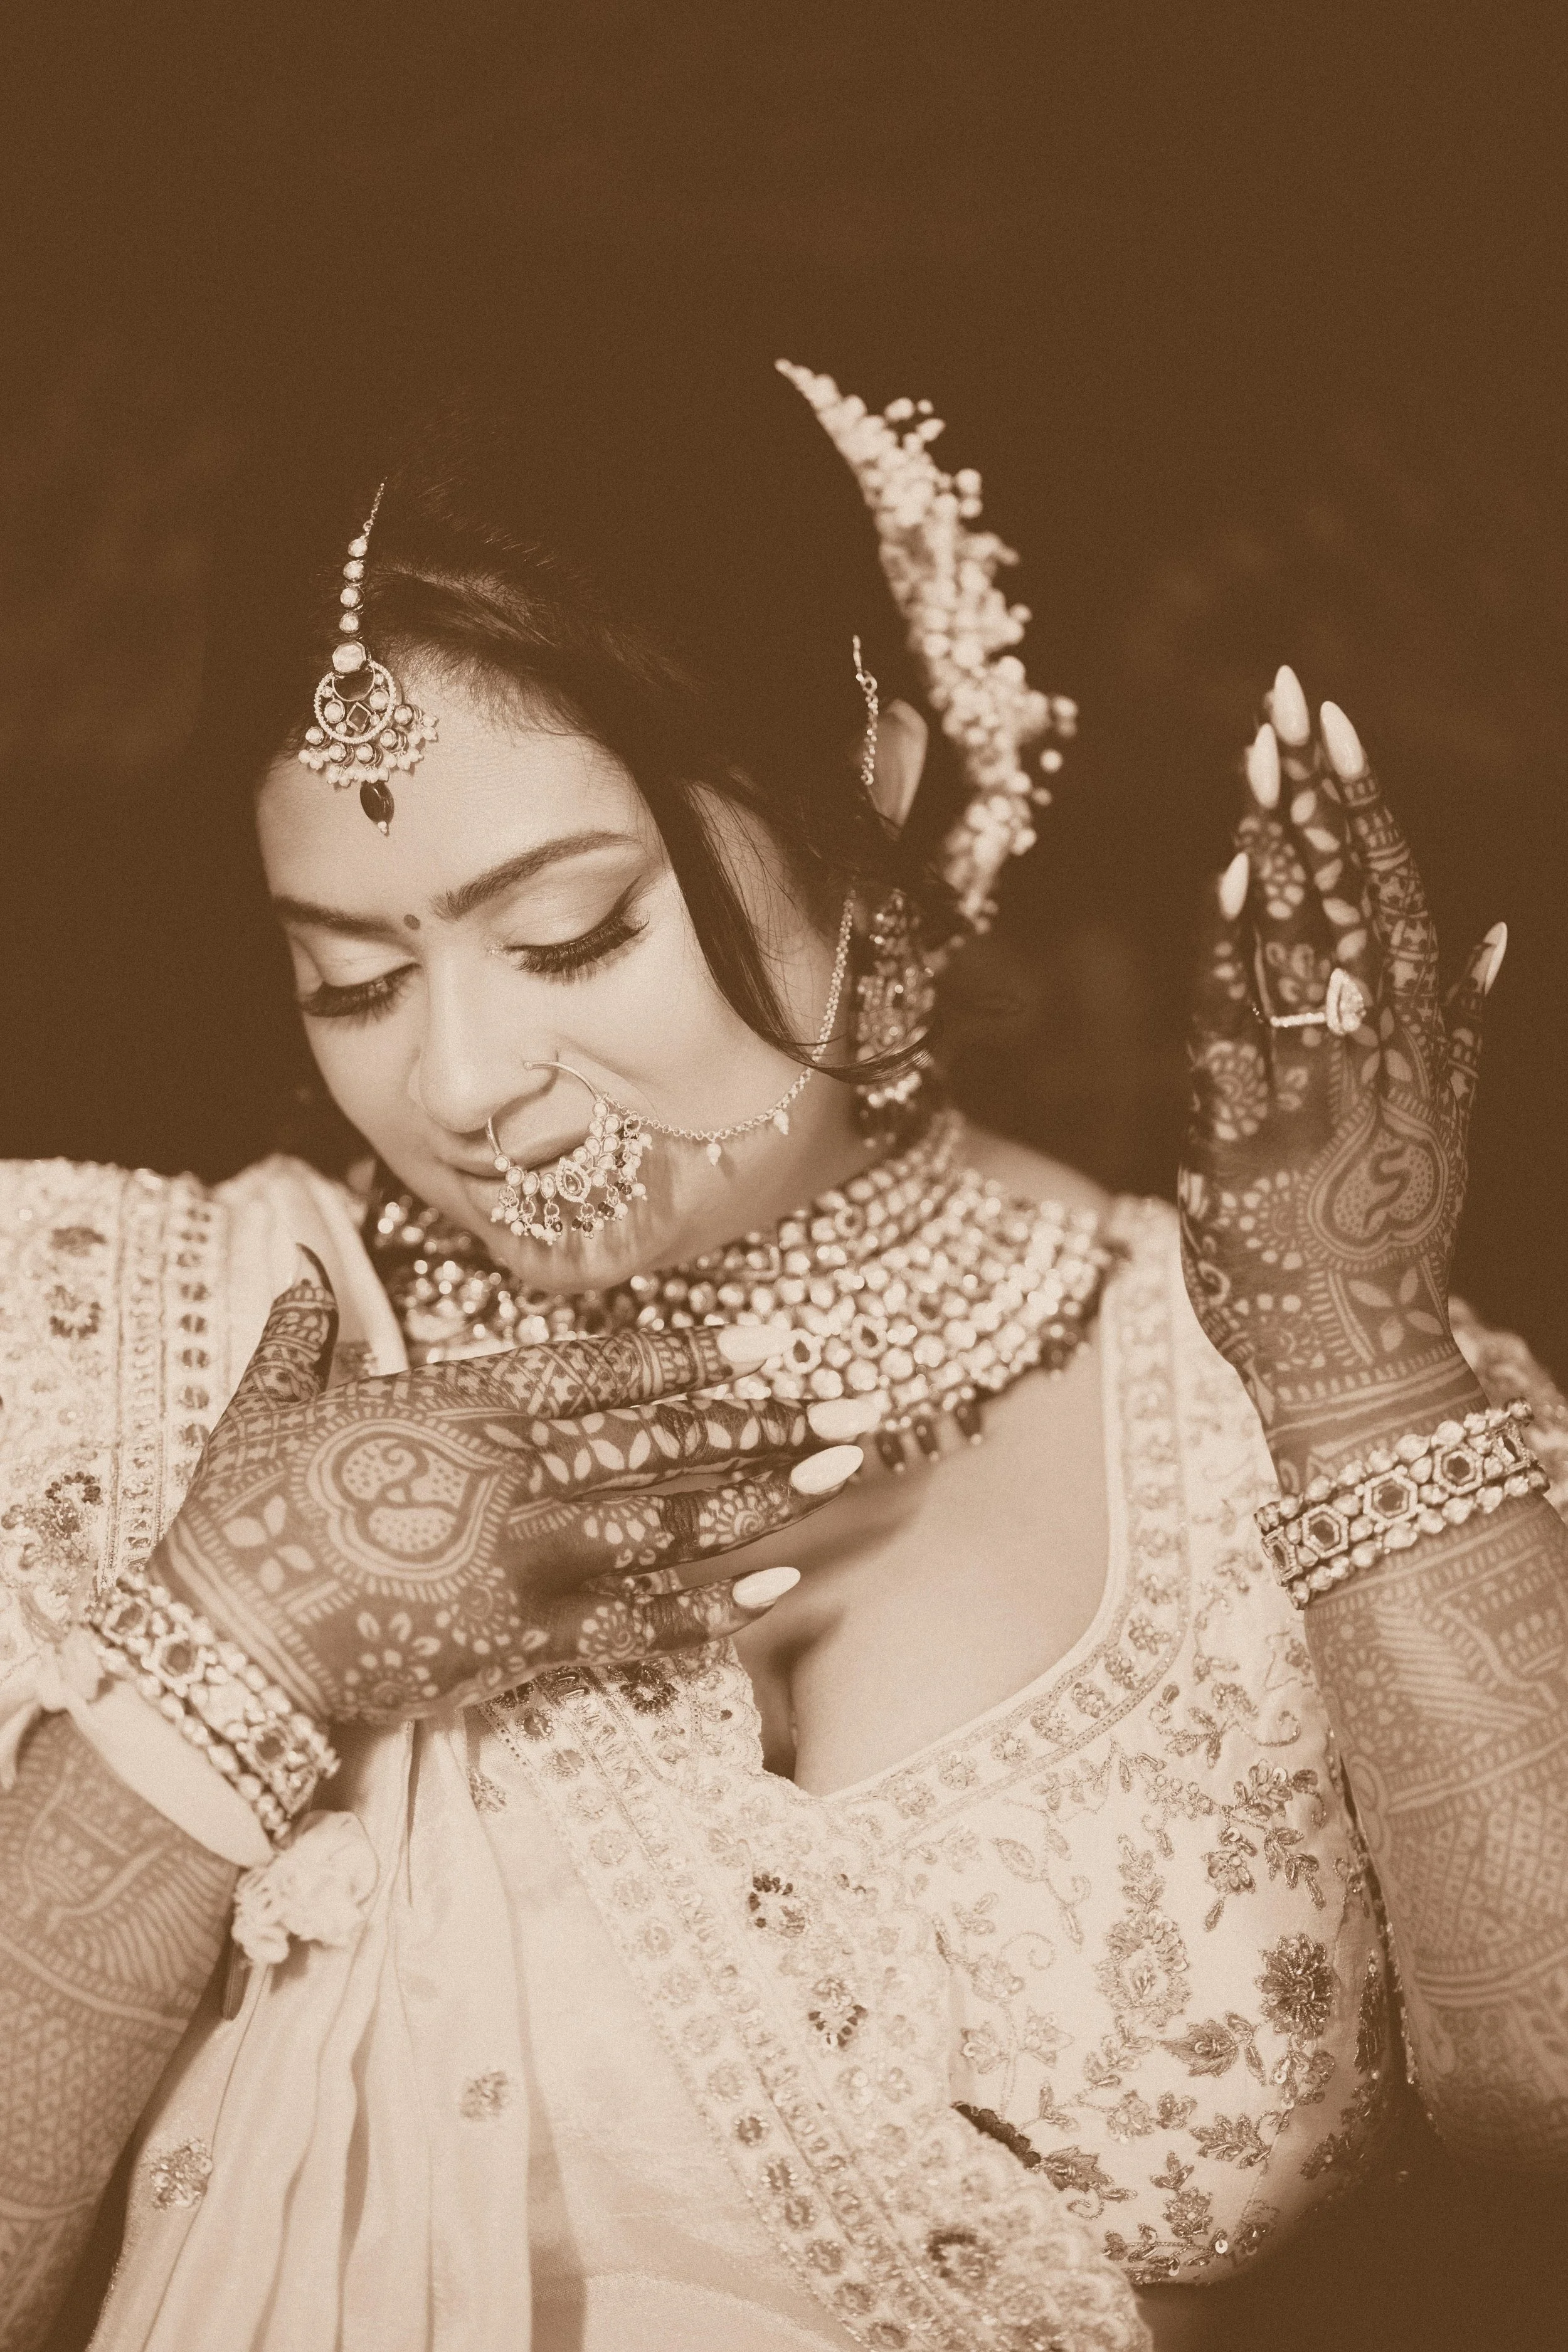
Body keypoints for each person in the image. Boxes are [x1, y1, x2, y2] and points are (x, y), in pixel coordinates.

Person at [1, 334, 1565, 2352]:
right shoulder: (104, 1343)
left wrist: (1365, 1390)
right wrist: (223, 1666)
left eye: (570, 936)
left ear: (865, 781)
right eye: (353, 974)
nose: (466, 1080)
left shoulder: (1242, 1385)